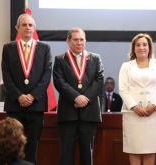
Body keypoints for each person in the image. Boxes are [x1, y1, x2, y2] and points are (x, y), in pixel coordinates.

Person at [1, 14, 52, 165]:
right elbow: (6, 74)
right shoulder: (8, 48)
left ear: (34, 28)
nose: (27, 28)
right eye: (24, 25)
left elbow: (46, 74)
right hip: (14, 104)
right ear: (17, 28)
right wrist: (19, 96)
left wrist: (32, 96)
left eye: (30, 25)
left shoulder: (44, 48)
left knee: (32, 147)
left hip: (35, 105)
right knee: (11, 145)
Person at [53, 27, 104, 165]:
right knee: (66, 155)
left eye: (82, 39)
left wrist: (84, 100)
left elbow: (99, 81)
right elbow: (59, 82)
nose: (79, 42)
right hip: (67, 113)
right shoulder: (59, 60)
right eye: (75, 40)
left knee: (87, 154)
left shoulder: (95, 58)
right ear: (68, 41)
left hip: (89, 112)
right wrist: (76, 98)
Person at [119, 33, 156, 165]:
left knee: (150, 149)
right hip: (133, 114)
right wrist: (135, 107)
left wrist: (154, 106)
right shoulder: (126, 67)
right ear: (133, 48)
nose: (142, 47)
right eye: (138, 45)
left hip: (153, 114)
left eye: (144, 45)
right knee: (134, 149)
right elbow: (123, 90)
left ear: (149, 47)